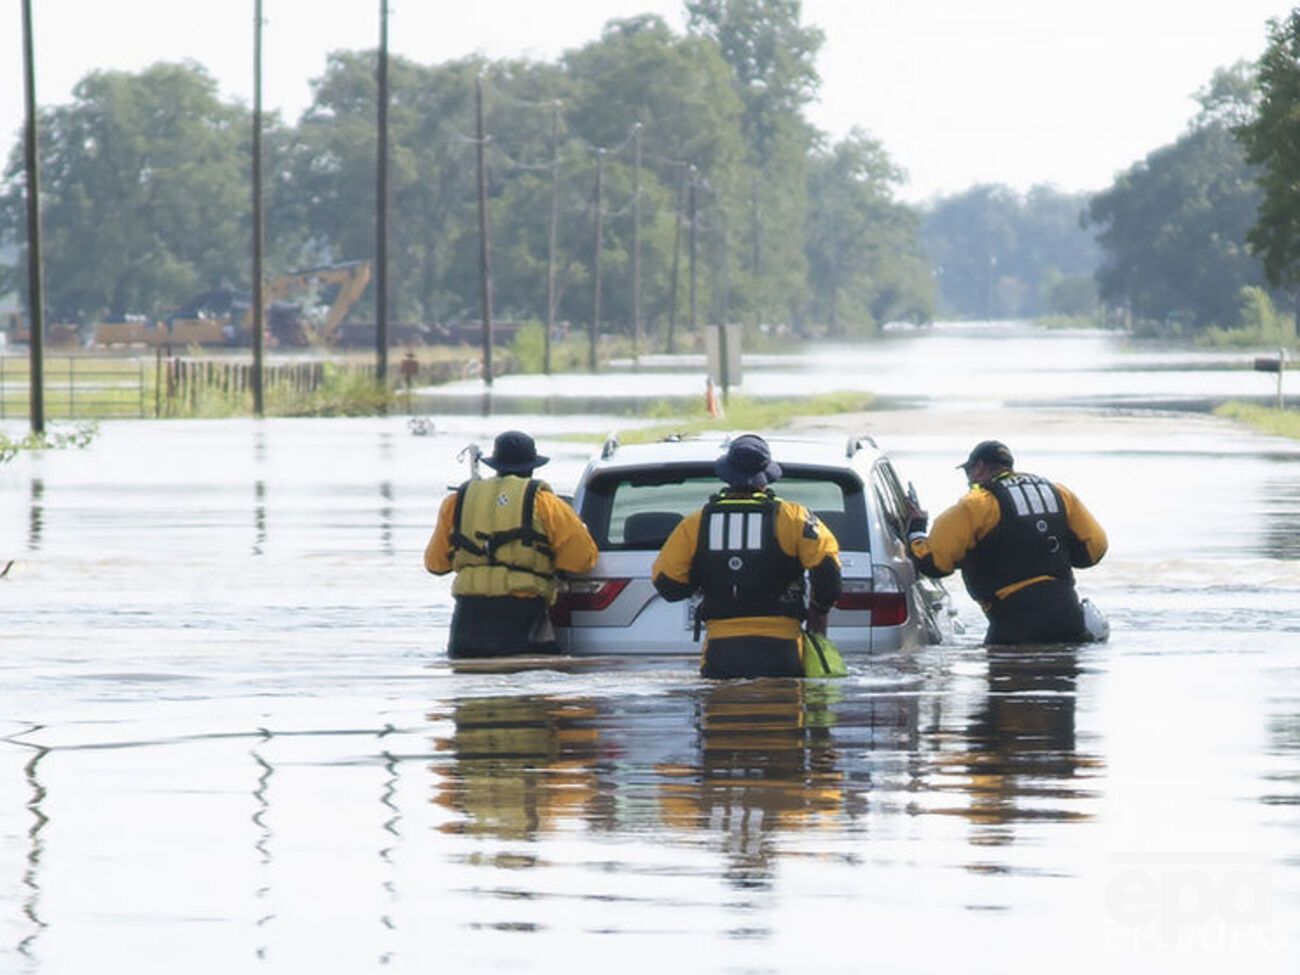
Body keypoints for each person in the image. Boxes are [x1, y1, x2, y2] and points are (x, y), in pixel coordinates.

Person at [652, 434, 842, 678]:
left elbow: (667, 585)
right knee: (785, 712)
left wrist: (706, 579)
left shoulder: (696, 524)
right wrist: (817, 609)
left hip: (721, 654)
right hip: (784, 652)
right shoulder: (795, 518)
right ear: (766, 476)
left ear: (726, 474)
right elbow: (829, 580)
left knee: (720, 711)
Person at [905, 440, 1108, 645]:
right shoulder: (1059, 493)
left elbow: (934, 564)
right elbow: (1095, 549)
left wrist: (916, 532)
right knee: (1063, 674)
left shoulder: (977, 503)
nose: (969, 480)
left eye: (969, 471)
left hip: (1014, 626)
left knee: (1008, 672)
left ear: (980, 468)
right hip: (1068, 618)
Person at [424, 430, 598, 658]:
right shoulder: (546, 503)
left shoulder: (457, 502)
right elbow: (581, 561)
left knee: (471, 688)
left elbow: (435, 564)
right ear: (533, 466)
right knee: (530, 683)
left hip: (467, 621)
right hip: (522, 615)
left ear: (494, 465)